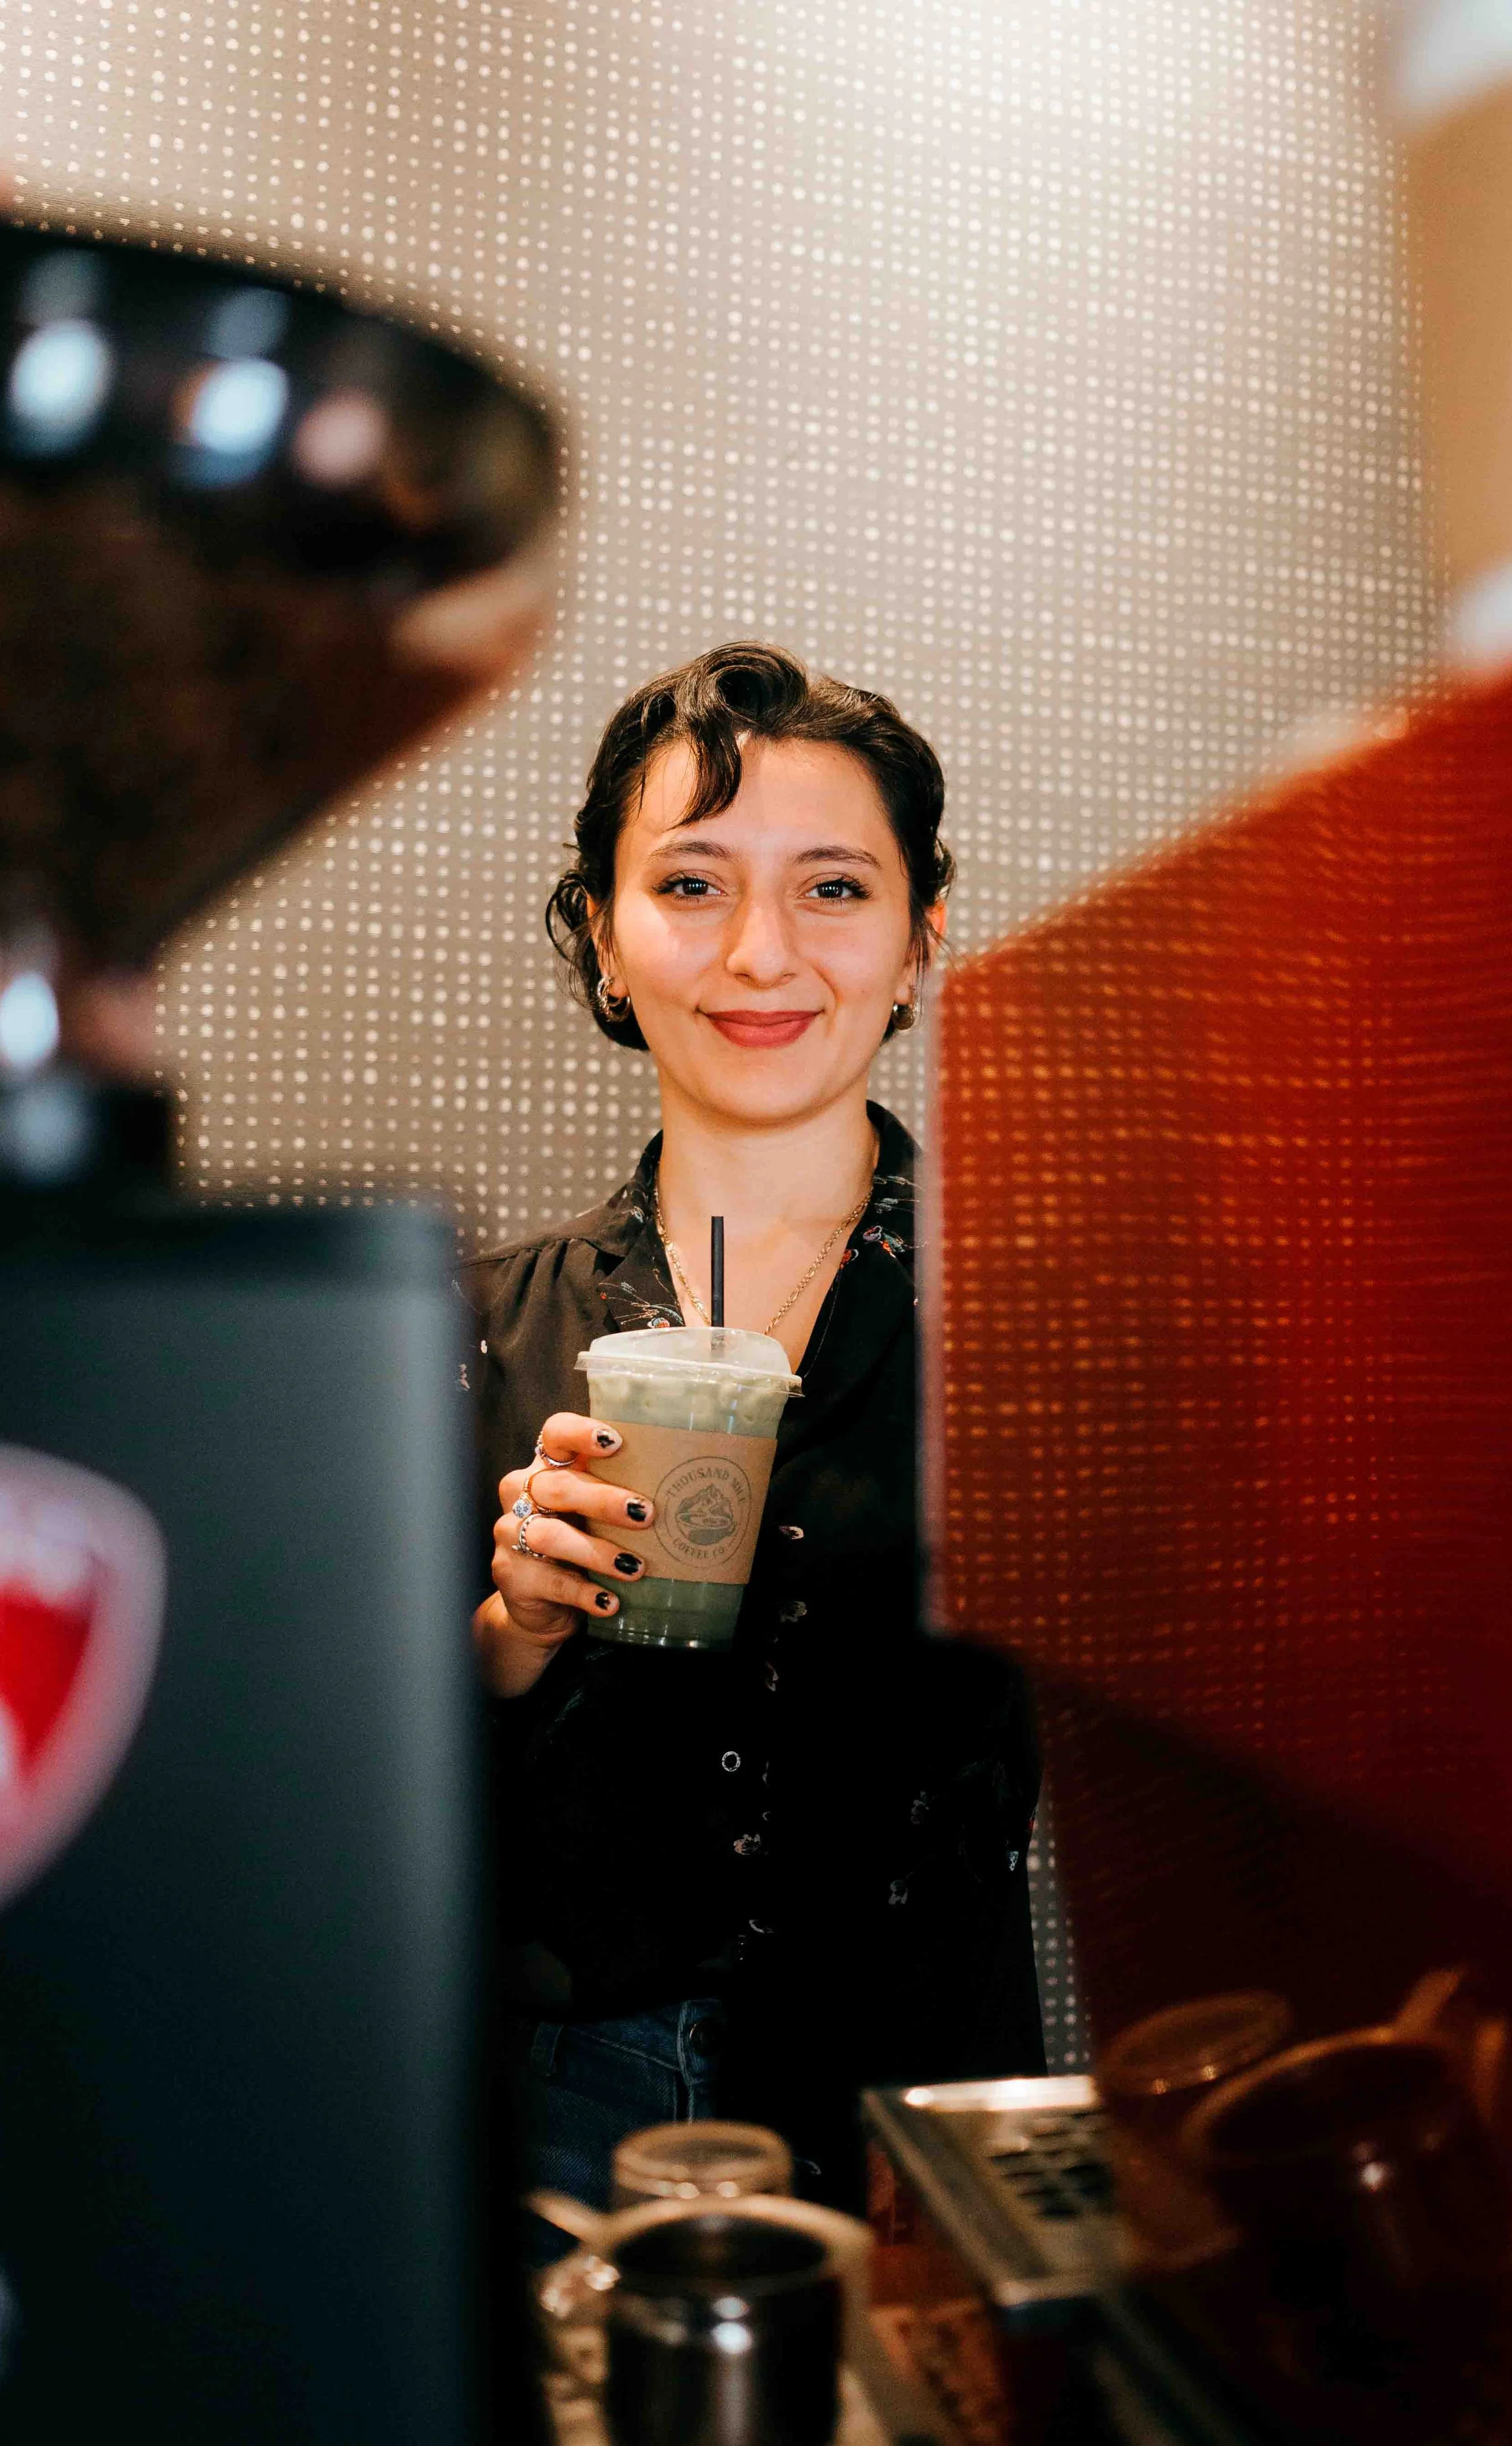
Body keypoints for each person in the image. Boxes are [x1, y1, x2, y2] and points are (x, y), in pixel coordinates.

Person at [460, 641, 1043, 2221]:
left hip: (925, 2101)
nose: (762, 953)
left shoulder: (1045, 1325)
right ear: (601, 935)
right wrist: (506, 1629)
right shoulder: (472, 1326)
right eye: (693, 885)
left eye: (835, 890)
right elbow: (320, 1781)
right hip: (554, 2103)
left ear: (920, 936)